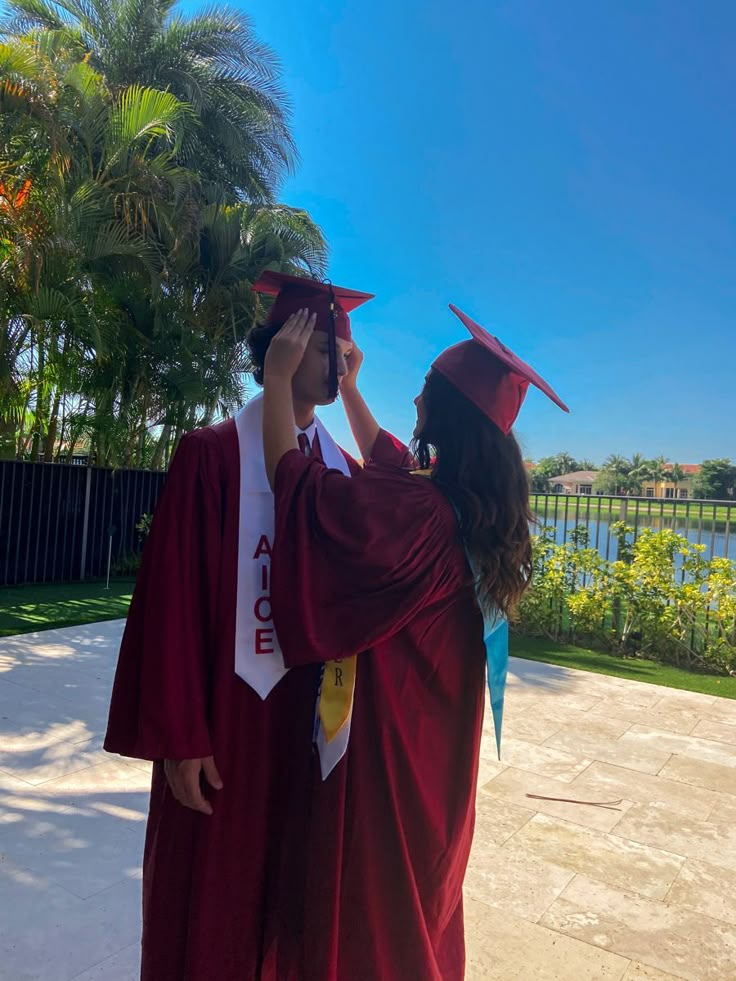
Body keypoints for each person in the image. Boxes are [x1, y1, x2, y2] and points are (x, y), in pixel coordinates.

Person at [262, 303, 569, 981]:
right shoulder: (466, 507)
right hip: (440, 753)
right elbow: (390, 462)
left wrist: (279, 381)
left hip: (393, 749)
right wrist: (348, 386)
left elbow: (307, 496)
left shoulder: (423, 517)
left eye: (426, 388)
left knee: (378, 917)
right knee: (423, 898)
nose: (414, 396)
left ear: (449, 413)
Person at [103, 271, 373, 980]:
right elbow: (173, 607)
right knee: (210, 906)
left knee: (290, 907)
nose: (339, 363)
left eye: (342, 352)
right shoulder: (212, 454)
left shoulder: (339, 471)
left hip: (306, 726)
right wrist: (180, 734)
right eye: (327, 350)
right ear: (284, 349)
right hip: (226, 725)